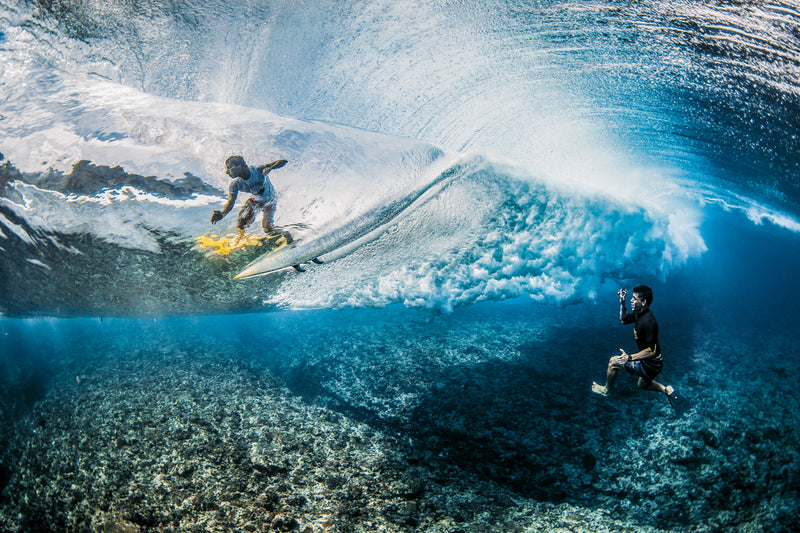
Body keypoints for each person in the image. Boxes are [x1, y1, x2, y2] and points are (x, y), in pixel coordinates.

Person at [210, 155, 320, 272]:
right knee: (241, 223)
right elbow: (230, 202)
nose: (227, 171)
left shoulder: (257, 170)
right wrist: (222, 214)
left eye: (229, 168)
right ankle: (240, 241)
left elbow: (283, 161)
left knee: (267, 228)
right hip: (255, 202)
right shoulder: (235, 184)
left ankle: (292, 240)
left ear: (240, 165)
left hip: (270, 202)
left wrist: (271, 167)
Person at [592, 285, 684, 412]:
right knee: (641, 384)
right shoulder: (639, 314)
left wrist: (629, 358)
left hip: (651, 364)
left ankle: (606, 391)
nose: (631, 300)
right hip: (653, 364)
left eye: (634, 299)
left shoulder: (649, 321)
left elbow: (653, 351)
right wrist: (622, 302)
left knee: (613, 362)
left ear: (644, 301)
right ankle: (667, 390)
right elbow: (624, 319)